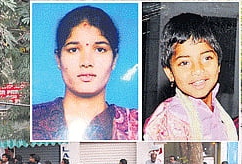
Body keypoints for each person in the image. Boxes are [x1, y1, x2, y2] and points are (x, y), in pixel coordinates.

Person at [32, 5, 138, 141]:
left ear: (114, 60)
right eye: (74, 50)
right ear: (58, 59)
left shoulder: (135, 125)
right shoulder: (34, 118)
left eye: (100, 49)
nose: (86, 62)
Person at [144, 13, 238, 141]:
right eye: (184, 63)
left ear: (219, 65)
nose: (197, 70)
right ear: (170, 73)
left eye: (206, 58)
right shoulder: (170, 118)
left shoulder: (220, 113)